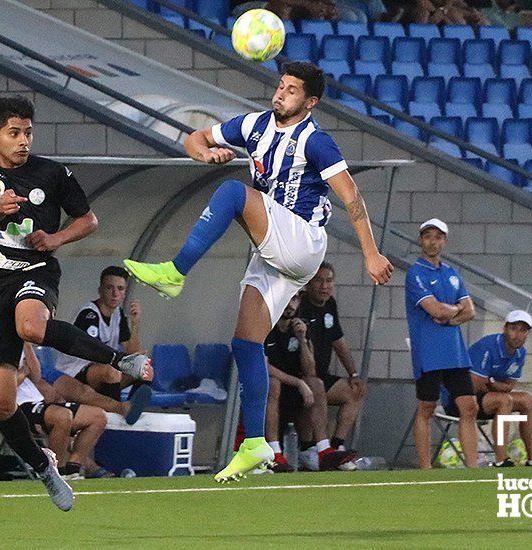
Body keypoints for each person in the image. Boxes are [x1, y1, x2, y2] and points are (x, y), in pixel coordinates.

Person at [123, 61, 393, 482]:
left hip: (302, 240)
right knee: (246, 344)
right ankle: (255, 446)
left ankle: (175, 273)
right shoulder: (253, 125)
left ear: (310, 101)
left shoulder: (316, 142)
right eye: (281, 85)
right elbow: (194, 137)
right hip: (273, 250)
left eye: (292, 89)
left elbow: (352, 196)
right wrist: (205, 153)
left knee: (234, 192)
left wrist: (371, 254)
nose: (281, 93)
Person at [0, 96, 151, 510]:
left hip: (35, 272)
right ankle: (45, 467)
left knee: (31, 326)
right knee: (0, 403)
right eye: (14, 133)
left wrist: (55, 239)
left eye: (28, 132)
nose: (23, 141)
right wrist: (1, 207)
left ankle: (118, 360)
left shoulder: (53, 173)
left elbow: (89, 220)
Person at [405, 218, 478, 469]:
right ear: (420, 240)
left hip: (455, 351)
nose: (432, 241)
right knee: (427, 407)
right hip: (429, 351)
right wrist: (453, 310)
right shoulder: (416, 273)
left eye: (437, 237)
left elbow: (470, 310)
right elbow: (434, 309)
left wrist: (451, 314)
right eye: (427, 236)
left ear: (444, 241)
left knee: (468, 406)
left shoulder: (451, 273)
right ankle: (425, 469)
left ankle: (472, 468)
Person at [441, 310, 532, 467]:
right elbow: (476, 384)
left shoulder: (520, 353)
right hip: (459, 398)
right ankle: (501, 460)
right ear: (505, 329)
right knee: (504, 400)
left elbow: (509, 386)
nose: (517, 334)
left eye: (523, 330)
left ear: (527, 334)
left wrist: (491, 383)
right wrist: (496, 386)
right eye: (514, 328)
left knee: (527, 400)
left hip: (486, 396)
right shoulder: (487, 346)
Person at [265, 293, 357, 472]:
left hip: (295, 388)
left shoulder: (301, 326)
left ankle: (324, 450)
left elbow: (309, 370)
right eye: (285, 300)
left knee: (316, 383)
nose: (289, 305)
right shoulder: (266, 327)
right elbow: (265, 367)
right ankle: (274, 453)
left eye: (293, 300)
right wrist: (299, 383)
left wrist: (302, 339)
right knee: (274, 383)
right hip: (272, 388)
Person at [54, 266, 153, 422]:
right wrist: (122, 363)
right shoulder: (89, 314)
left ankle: (133, 409)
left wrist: (134, 324)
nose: (115, 294)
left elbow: (132, 352)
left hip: (102, 372)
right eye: (110, 288)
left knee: (144, 369)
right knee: (110, 371)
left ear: (125, 293)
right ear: (100, 290)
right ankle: (116, 415)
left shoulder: (118, 314)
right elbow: (93, 353)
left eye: (120, 289)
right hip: (74, 371)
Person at [298, 262, 367, 454]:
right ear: (308, 283)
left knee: (355, 391)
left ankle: (337, 447)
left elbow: (339, 342)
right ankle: (308, 447)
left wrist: (353, 373)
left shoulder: (330, 304)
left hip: (322, 375)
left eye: (328, 281)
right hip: (299, 378)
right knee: (314, 388)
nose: (324, 286)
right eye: (319, 281)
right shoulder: (300, 306)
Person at [17, 344, 111, 479]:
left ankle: (73, 468)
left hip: (38, 400)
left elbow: (36, 375)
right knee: (62, 416)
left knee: (98, 416)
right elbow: (2, 388)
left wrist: (26, 345)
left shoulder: (20, 345)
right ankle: (56, 472)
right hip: (17, 406)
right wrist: (23, 372)